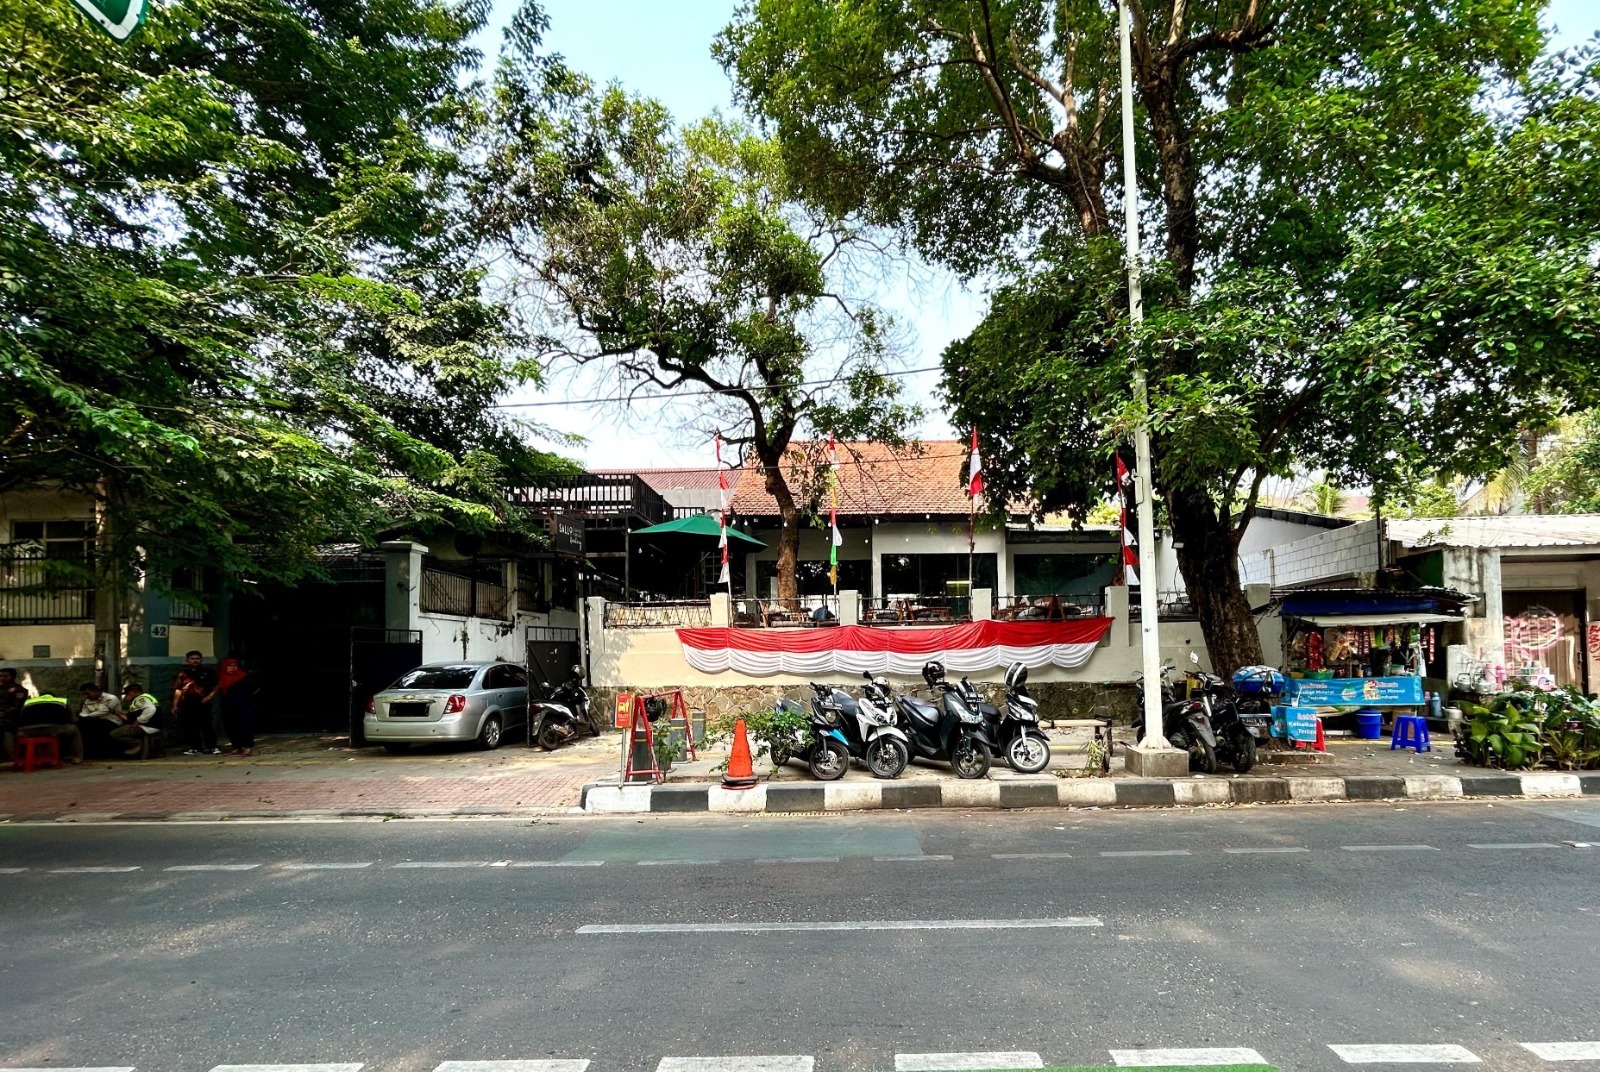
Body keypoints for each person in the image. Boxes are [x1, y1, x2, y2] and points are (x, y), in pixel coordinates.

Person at [172, 650, 220, 755]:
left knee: (206, 725)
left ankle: (212, 747)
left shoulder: (208, 672)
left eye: (197, 659)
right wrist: (175, 705)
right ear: (187, 660)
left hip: (202, 703)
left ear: (201, 660)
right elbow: (178, 689)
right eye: (192, 659)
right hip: (187, 703)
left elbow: (216, 686)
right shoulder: (183, 674)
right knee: (189, 726)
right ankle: (195, 747)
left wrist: (209, 697)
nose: (195, 661)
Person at [16, 692, 84, 764]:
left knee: (20, 733)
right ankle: (77, 757)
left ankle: (20, 758)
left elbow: (21, 717)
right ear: (54, 697)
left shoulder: (28, 702)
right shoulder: (63, 701)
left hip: (29, 730)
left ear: (39, 697)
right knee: (74, 729)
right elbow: (73, 719)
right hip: (53, 728)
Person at [217, 656, 256, 757]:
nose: (232, 668)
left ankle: (248, 746)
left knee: (245, 725)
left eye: (234, 666)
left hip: (244, 704)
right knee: (231, 726)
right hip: (228, 705)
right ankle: (237, 746)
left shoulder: (243, 677)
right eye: (229, 666)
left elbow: (252, 689)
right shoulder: (222, 678)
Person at [111, 683, 160, 758]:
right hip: (148, 725)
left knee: (114, 734)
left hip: (147, 726)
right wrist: (119, 714)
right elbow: (130, 718)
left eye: (127, 694)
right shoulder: (140, 700)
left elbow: (151, 709)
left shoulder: (141, 699)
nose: (126, 697)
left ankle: (136, 744)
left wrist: (138, 721)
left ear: (133, 692)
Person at [76, 681, 123, 758]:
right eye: (84, 694)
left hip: (112, 721)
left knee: (90, 723)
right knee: (82, 724)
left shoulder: (110, 698)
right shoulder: (88, 701)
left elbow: (103, 711)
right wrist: (83, 717)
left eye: (88, 693)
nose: (86, 696)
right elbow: (83, 713)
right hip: (95, 721)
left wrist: (87, 717)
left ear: (95, 691)